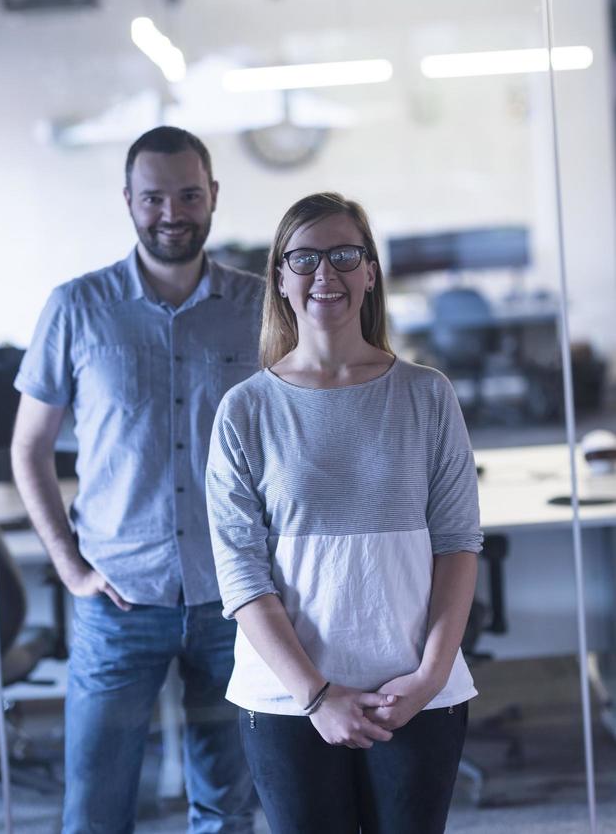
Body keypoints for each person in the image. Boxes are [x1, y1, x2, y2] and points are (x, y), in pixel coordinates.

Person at [206, 191, 482, 834]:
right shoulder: (245, 410)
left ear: (370, 270)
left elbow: (458, 545)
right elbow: (241, 573)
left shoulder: (427, 394)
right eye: (303, 258)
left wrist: (427, 678)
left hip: (414, 692)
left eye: (343, 254)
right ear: (279, 277)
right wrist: (318, 696)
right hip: (288, 699)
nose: (323, 274)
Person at [10, 126, 260, 834]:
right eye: (154, 197)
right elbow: (29, 448)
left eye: (188, 194)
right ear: (128, 200)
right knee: (95, 812)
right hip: (118, 602)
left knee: (228, 809)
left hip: (236, 599)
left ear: (213, 195)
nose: (171, 213)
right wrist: (71, 568)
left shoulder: (262, 306)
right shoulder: (76, 308)